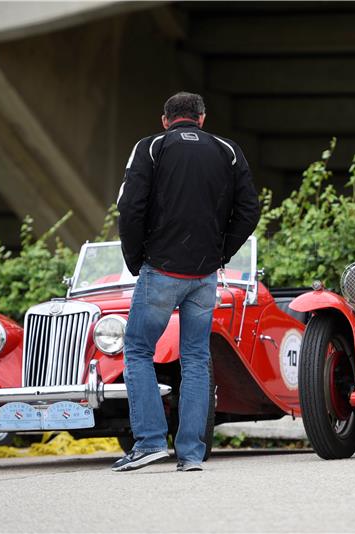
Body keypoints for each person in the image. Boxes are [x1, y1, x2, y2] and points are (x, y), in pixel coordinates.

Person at [113, 92, 259, 472]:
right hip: (204, 276)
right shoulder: (227, 150)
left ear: (165, 120)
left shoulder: (150, 148)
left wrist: (135, 259)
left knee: (138, 351)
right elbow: (249, 209)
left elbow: (130, 206)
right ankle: (191, 453)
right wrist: (220, 253)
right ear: (202, 118)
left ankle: (148, 444)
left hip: (160, 269)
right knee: (195, 359)